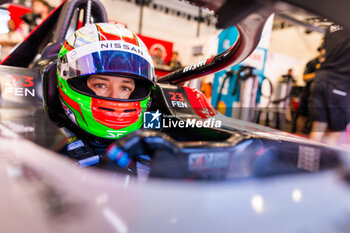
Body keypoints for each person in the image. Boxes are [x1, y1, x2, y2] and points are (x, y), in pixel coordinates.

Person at [56, 23, 155, 164]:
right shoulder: (46, 145)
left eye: (125, 88)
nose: (114, 96)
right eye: (101, 85)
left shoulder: (154, 137)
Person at [309, 24, 350, 145]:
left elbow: (324, 51)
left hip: (321, 80)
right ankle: (325, 163)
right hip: (340, 85)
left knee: (317, 130)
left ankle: (309, 162)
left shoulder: (332, 26)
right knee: (334, 134)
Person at [295, 46, 325, 134]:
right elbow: (304, 78)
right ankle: (298, 134)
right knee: (303, 115)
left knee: (317, 118)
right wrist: (317, 74)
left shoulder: (328, 65)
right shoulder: (312, 63)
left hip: (321, 95)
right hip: (308, 93)